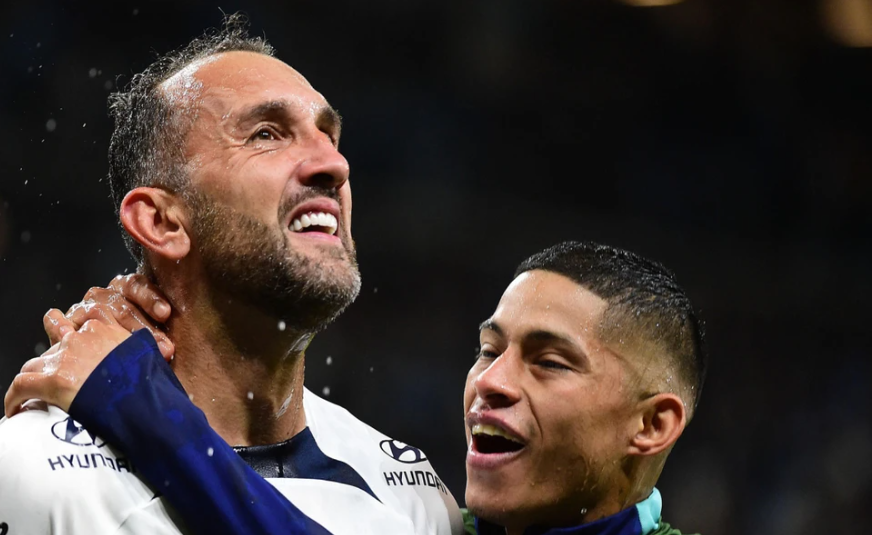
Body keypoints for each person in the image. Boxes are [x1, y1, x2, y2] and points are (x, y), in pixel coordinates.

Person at [0, 15, 462, 535]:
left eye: (329, 136)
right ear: (161, 222)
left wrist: (137, 402)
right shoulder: (36, 475)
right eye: (266, 134)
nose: (334, 165)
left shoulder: (415, 497)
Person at [5, 241, 706, 535]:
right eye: (488, 350)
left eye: (549, 362)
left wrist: (134, 399)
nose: (490, 383)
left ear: (651, 424)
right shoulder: (430, 518)